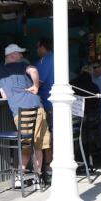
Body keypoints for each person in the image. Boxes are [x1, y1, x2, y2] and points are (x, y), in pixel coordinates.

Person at [0, 44, 51, 186]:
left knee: (26, 146)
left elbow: (3, 96)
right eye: (19, 53)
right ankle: (38, 177)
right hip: (37, 107)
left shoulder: (1, 73)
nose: (22, 56)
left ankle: (20, 176)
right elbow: (33, 70)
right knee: (38, 146)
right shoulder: (23, 66)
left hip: (20, 112)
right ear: (12, 55)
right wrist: (36, 85)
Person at [70, 65, 101, 166]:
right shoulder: (94, 86)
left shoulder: (72, 84)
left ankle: (79, 157)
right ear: (91, 73)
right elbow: (97, 104)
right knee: (98, 125)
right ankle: (97, 155)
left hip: (75, 120)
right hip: (91, 120)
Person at [36, 37, 54, 176]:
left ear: (42, 47)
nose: (37, 50)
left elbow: (39, 82)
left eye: (38, 47)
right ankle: (49, 166)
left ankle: (48, 167)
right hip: (55, 103)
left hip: (47, 103)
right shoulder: (58, 58)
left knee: (46, 137)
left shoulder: (45, 60)